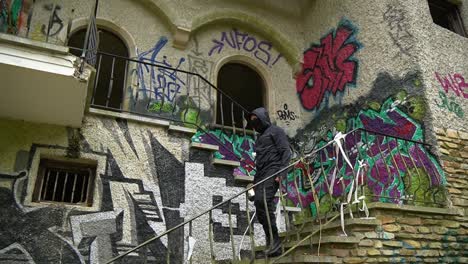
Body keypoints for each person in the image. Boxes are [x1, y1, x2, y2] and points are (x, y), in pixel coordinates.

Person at [247, 107, 291, 257]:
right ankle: (271, 242)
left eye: (256, 120)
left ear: (263, 118)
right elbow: (260, 163)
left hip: (273, 172)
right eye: (252, 121)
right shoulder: (259, 138)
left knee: (263, 202)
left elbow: (286, 151)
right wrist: (254, 182)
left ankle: (276, 243)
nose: (255, 124)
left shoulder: (276, 131)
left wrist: (282, 173)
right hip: (261, 175)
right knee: (260, 207)